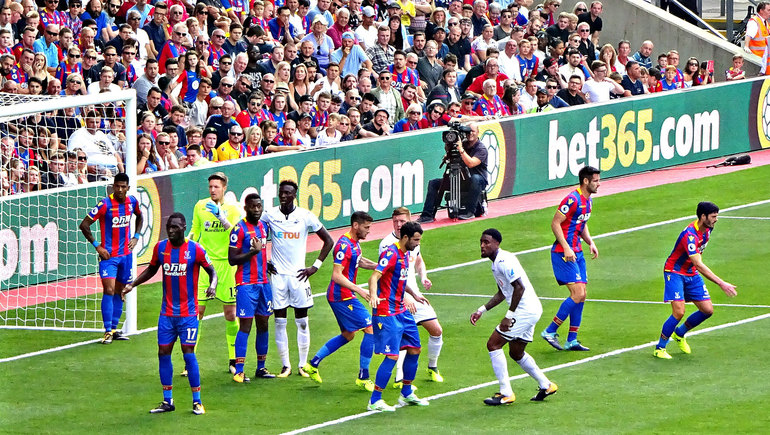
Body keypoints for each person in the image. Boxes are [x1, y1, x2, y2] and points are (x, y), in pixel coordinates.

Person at [121, 212, 216, 415]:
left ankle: (197, 401)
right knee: (163, 353)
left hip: (188, 314)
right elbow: (151, 269)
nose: (170, 231)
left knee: (188, 354)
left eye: (174, 227)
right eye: (168, 227)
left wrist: (213, 285)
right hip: (166, 314)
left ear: (183, 227)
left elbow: (212, 270)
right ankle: (167, 400)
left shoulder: (195, 249)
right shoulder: (161, 248)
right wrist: (132, 284)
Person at [471, 228, 558, 405]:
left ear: (497, 243)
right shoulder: (496, 263)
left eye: (486, 242)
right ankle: (546, 385)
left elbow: (519, 288)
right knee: (516, 352)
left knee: (493, 344)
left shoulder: (504, 261)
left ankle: (506, 393)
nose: (482, 245)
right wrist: (481, 310)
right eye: (481, 242)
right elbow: (502, 293)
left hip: (525, 311)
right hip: (530, 309)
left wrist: (509, 316)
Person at [260, 180, 334, 377]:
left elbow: (328, 240)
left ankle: (302, 364)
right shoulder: (269, 215)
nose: (283, 196)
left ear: (295, 195)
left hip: (299, 277)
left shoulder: (305, 216)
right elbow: (256, 235)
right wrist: (264, 259)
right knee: (280, 322)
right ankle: (286, 365)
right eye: (281, 193)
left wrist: (315, 267)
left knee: (302, 321)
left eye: (287, 193)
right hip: (277, 278)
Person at [302, 211, 378, 390]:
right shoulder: (344, 245)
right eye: (366, 228)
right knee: (370, 328)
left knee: (349, 334)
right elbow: (337, 275)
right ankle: (363, 377)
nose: (369, 231)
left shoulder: (354, 244)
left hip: (343, 295)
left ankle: (313, 364)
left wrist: (380, 265)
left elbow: (358, 261)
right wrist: (359, 290)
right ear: (355, 225)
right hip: (341, 296)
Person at [653, 202, 738, 359]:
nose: (716, 220)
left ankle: (680, 333)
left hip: (690, 272)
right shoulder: (690, 236)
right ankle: (660, 348)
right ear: (703, 216)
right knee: (679, 311)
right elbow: (698, 264)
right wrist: (721, 283)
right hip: (675, 271)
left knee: (707, 310)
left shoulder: (708, 229)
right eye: (713, 217)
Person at [367, 221, 431, 412]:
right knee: (393, 356)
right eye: (416, 240)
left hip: (401, 310)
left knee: (414, 349)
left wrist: (414, 294)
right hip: (386, 311)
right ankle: (375, 400)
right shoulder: (390, 253)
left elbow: (400, 280)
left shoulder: (406, 255)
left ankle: (406, 393)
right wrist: (373, 295)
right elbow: (374, 277)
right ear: (405, 238)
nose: (418, 244)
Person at [380, 207, 445, 388]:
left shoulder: (413, 240)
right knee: (401, 340)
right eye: (396, 221)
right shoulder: (387, 245)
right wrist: (404, 298)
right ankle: (398, 379)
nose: (399, 225)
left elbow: (418, 260)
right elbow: (384, 276)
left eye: (402, 221)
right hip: (398, 299)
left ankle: (432, 367)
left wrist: (423, 276)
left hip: (414, 295)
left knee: (436, 331)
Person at [540, 165, 600, 352]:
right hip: (563, 253)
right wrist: (566, 247)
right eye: (596, 181)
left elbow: (581, 223)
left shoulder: (588, 201)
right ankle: (550, 330)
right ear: (585, 181)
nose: (599, 184)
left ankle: (571, 340)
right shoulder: (572, 199)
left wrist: (590, 242)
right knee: (578, 294)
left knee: (582, 295)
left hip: (577, 252)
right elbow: (555, 223)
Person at [188, 172, 243, 375]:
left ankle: (233, 357)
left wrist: (223, 218)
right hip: (205, 266)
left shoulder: (233, 209)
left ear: (224, 188)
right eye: (210, 186)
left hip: (227, 266)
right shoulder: (200, 206)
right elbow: (195, 231)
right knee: (197, 313)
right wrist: (188, 244)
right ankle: (189, 359)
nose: (212, 190)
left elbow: (238, 236)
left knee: (230, 314)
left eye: (216, 187)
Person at [79, 173, 143, 344]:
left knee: (120, 291)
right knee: (109, 289)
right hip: (109, 257)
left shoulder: (132, 202)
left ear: (128, 188)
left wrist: (136, 236)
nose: (120, 190)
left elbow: (140, 216)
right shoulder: (105, 204)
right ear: (113, 186)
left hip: (126, 256)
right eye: (117, 186)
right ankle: (107, 330)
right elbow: (84, 224)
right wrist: (97, 246)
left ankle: (115, 329)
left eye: (123, 187)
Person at [228, 193, 277, 382]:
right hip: (246, 284)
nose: (257, 210)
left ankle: (261, 367)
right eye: (253, 207)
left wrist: (267, 264)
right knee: (246, 325)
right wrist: (252, 252)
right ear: (246, 208)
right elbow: (232, 259)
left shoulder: (263, 227)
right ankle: (239, 370)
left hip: (264, 282)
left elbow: (261, 253)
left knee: (264, 324)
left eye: (259, 206)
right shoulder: (238, 229)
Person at [417, 123, 488, 222]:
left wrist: (461, 149)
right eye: (468, 131)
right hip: (460, 179)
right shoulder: (462, 143)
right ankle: (427, 215)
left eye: (473, 131)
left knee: (475, 178)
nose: (470, 133)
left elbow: (471, 163)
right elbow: (449, 155)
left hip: (477, 181)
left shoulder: (481, 148)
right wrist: (449, 146)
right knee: (434, 183)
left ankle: (469, 212)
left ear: (478, 133)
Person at [744, 2, 770, 74]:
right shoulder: (754, 22)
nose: (769, 12)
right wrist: (746, 46)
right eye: (768, 10)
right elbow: (749, 35)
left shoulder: (765, 23)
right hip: (758, 59)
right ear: (761, 10)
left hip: (764, 60)